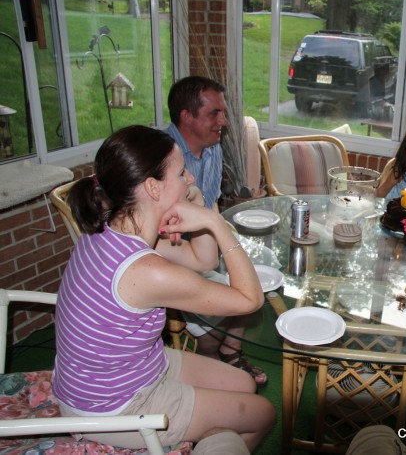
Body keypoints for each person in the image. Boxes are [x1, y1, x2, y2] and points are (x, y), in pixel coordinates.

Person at [53, 125, 274, 453]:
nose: (191, 178)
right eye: (182, 172)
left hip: (128, 369)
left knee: (243, 383)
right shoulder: (147, 272)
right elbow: (250, 299)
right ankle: (214, 439)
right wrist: (217, 225)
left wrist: (200, 208)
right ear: (153, 188)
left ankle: (212, 434)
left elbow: (202, 259)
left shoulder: (112, 230)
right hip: (113, 406)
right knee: (263, 414)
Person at [165, 76, 267, 386]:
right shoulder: (163, 158)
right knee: (229, 304)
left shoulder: (212, 146)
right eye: (214, 114)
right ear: (187, 116)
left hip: (204, 244)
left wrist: (225, 243)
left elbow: (211, 206)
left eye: (223, 112)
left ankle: (231, 351)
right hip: (168, 253)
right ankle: (212, 357)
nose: (223, 121)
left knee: (258, 275)